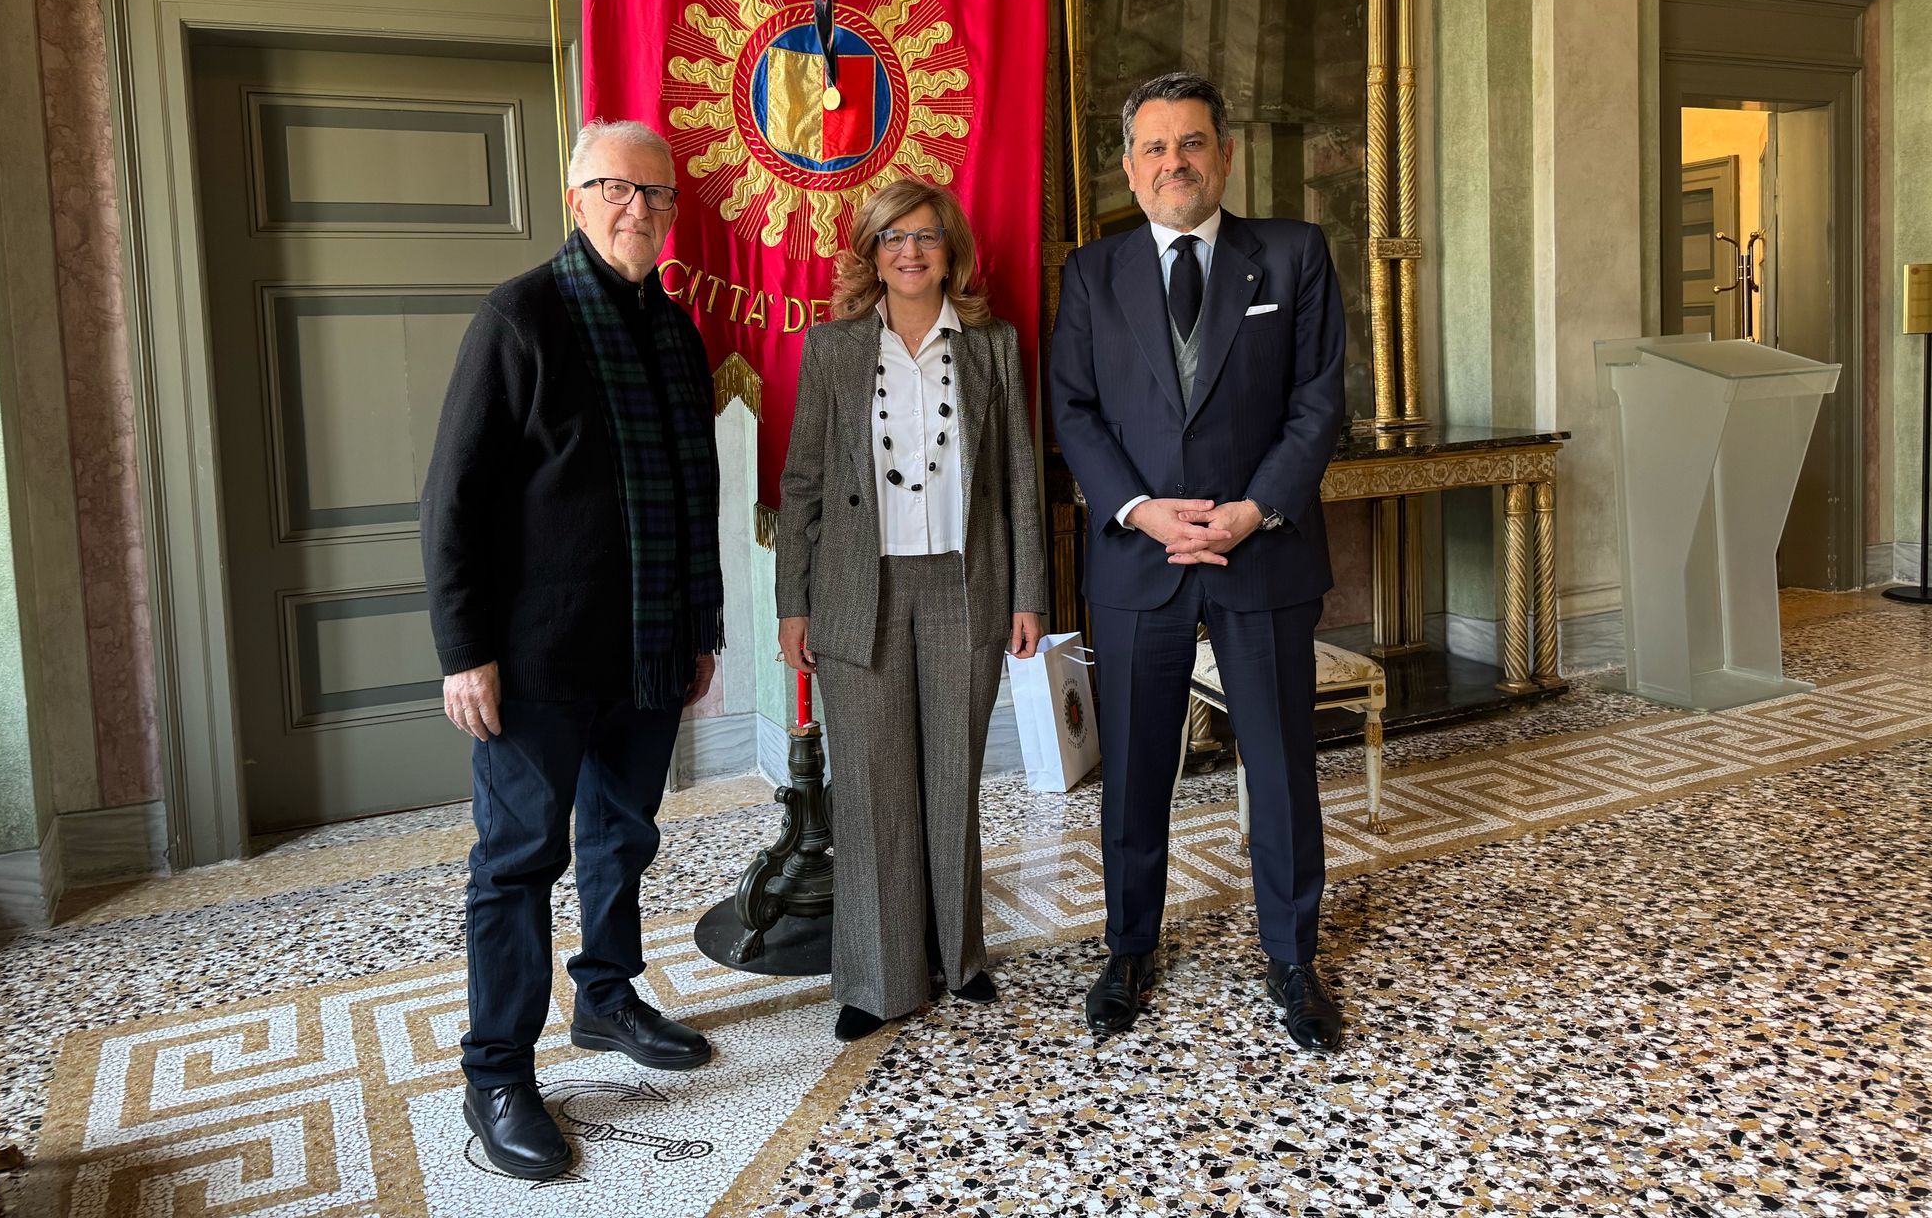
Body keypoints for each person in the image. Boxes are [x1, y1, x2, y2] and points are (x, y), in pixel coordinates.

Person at [421, 118, 722, 1179]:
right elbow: (451, 501)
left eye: (655, 194)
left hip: (644, 649)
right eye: (614, 189)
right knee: (516, 864)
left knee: (621, 837)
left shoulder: (674, 330)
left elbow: (696, 497)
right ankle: (496, 1072)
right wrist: (466, 652)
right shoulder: (519, 318)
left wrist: (701, 629)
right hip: (533, 661)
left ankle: (605, 1000)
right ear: (575, 198)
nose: (636, 208)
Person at [1048, 71, 1348, 1050]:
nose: (1173, 162)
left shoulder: (1293, 256)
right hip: (1141, 563)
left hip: (1259, 558)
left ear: (1222, 155)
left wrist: (1253, 510)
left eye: (1190, 143)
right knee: (1132, 773)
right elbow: (1074, 411)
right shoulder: (1092, 275)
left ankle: (1292, 959)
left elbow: (1316, 401)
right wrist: (1138, 510)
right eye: (1153, 148)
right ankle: (1128, 948)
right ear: (1131, 172)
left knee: (1279, 769)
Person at [776, 176, 1047, 1043]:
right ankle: (876, 976)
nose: (911, 252)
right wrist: (794, 605)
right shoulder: (832, 350)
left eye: (926, 236)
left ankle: (957, 958)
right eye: (893, 238)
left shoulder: (993, 346)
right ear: (872, 253)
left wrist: (1029, 594)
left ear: (950, 248)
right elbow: (803, 485)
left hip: (967, 586)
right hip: (860, 589)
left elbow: (1021, 483)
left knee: (951, 778)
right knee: (870, 790)